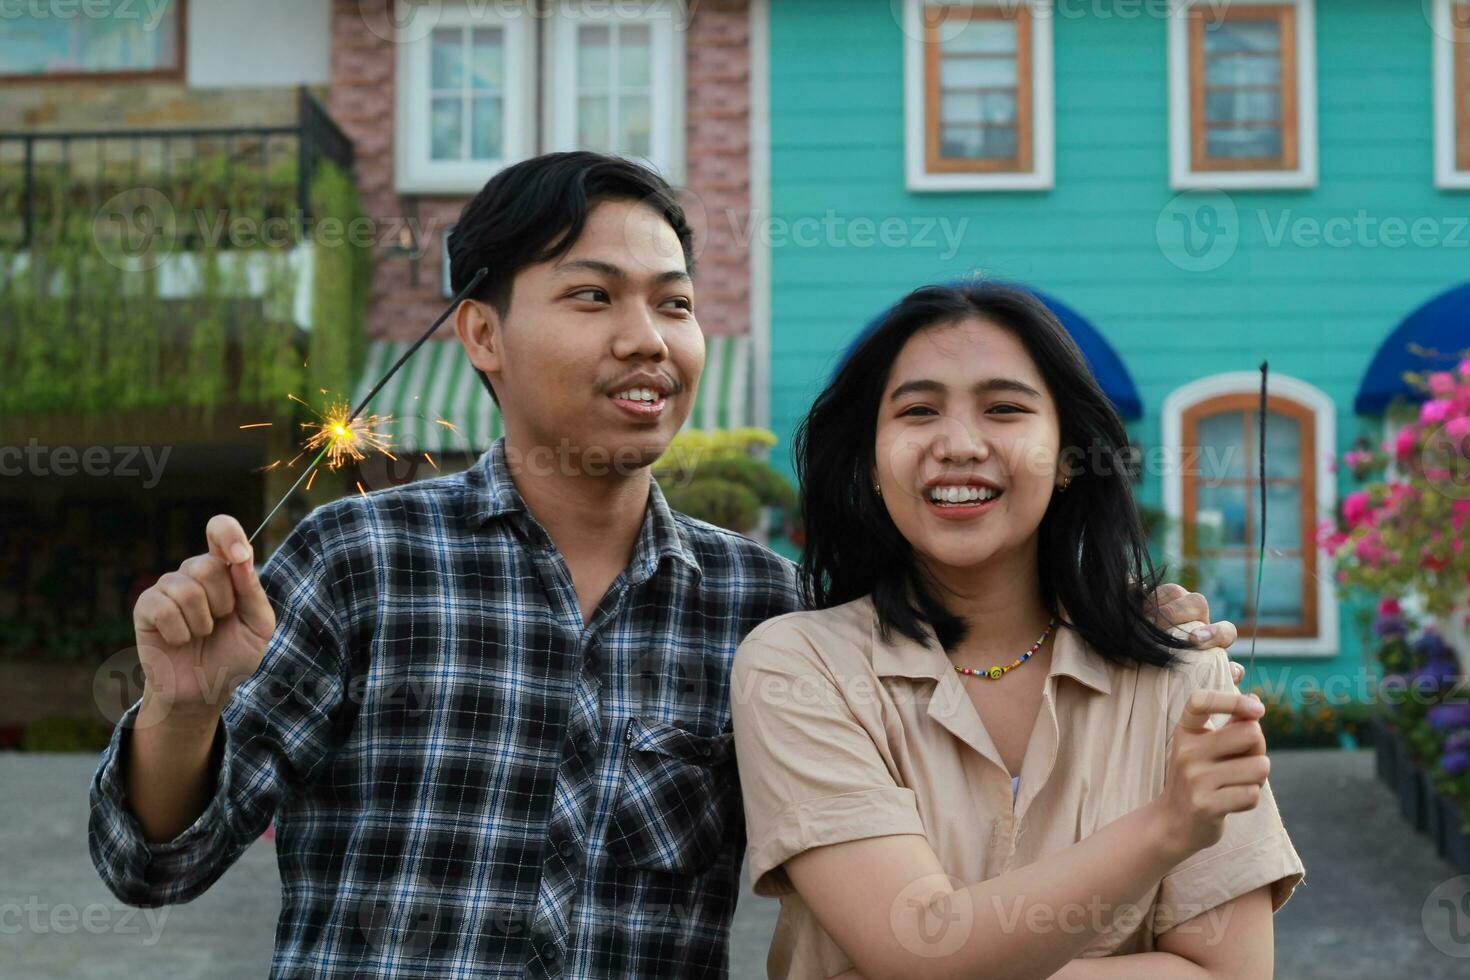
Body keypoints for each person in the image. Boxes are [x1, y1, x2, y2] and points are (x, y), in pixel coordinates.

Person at [89, 153, 1245, 979]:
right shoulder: (361, 560)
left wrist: (1123, 613)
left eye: (676, 303)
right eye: (592, 296)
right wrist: (182, 710)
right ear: (483, 335)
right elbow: (154, 868)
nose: (648, 337)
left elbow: (977, 683)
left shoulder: (766, 605)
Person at [730, 283, 1305, 980]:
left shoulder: (1185, 677)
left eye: (1004, 409)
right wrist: (1166, 827)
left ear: (1069, 456)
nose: (961, 444)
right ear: (873, 466)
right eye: (918, 411)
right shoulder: (799, 667)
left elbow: (1230, 974)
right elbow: (919, 945)